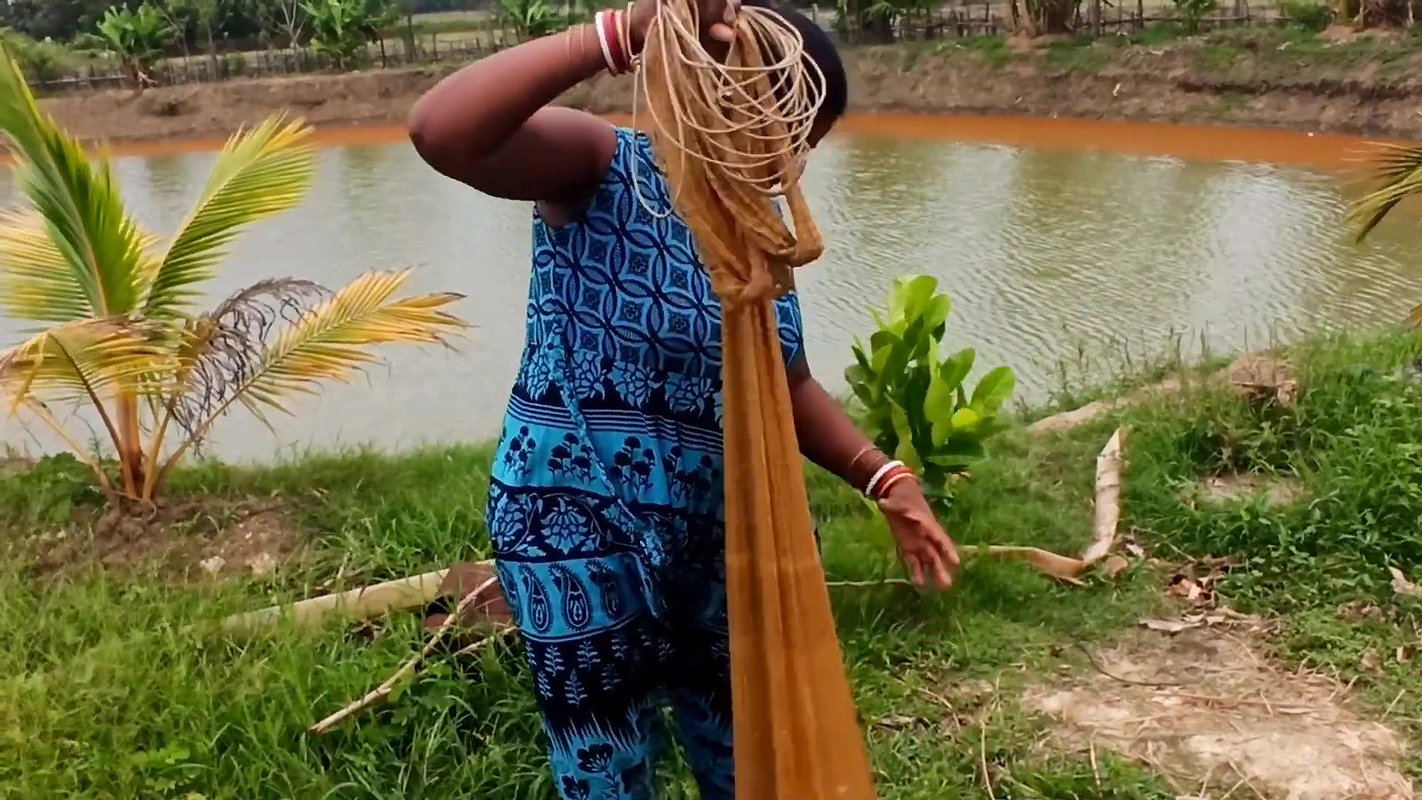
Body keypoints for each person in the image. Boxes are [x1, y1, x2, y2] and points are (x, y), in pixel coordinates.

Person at [408, 3, 960, 797]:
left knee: (746, 751)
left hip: (721, 532)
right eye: (779, 122)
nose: (785, 159)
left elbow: (787, 381)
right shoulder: (604, 167)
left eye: (802, 140)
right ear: (715, 87)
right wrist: (627, 32)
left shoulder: (758, 224)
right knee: (607, 765)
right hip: (578, 528)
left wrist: (887, 481)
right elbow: (443, 132)